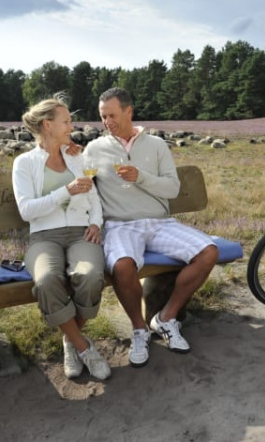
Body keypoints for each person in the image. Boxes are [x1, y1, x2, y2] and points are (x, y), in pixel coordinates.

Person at [84, 87, 218, 368]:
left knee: (208, 252)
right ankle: (139, 329)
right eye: (102, 116)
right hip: (120, 225)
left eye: (112, 115)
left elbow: (172, 187)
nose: (107, 122)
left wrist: (140, 177)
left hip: (159, 222)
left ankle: (166, 318)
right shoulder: (94, 149)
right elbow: (86, 189)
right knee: (122, 265)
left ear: (128, 111)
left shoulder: (156, 145)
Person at [12, 93, 110, 381]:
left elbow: (94, 196)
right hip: (44, 237)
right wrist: (65, 192)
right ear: (47, 125)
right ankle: (82, 347)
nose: (71, 125)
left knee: (91, 276)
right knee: (46, 280)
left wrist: (95, 223)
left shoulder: (76, 157)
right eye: (66, 121)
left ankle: (70, 339)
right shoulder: (25, 163)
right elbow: (26, 210)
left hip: (81, 233)